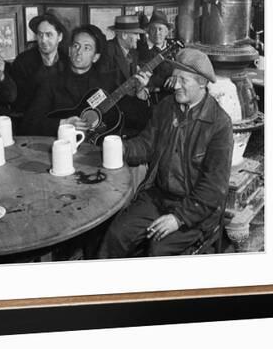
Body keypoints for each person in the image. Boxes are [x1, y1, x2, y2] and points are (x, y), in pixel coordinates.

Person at [96, 48, 233, 258]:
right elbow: (146, 144)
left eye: (183, 80)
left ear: (202, 83)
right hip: (157, 196)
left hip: (196, 209)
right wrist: (122, 149)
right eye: (174, 77)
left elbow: (213, 187)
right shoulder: (166, 107)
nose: (175, 85)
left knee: (158, 250)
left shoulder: (219, 124)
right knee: (117, 234)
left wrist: (179, 218)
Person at [21, 25, 116, 136]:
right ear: (70, 51)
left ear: (95, 57)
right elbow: (28, 124)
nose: (79, 52)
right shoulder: (51, 82)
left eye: (87, 48)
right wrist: (63, 123)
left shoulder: (106, 83)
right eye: (76, 46)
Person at [9, 12, 69, 115]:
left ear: (60, 37)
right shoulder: (22, 62)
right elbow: (17, 103)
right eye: (40, 34)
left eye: (48, 35)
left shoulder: (67, 62)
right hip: (31, 121)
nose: (43, 40)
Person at [103, 15, 150, 133]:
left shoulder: (133, 53)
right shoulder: (107, 51)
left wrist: (141, 87)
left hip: (129, 105)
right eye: (136, 34)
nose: (139, 38)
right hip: (112, 111)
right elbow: (104, 87)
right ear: (124, 35)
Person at [136, 9, 176, 104]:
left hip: (171, 98)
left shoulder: (174, 49)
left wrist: (177, 76)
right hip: (148, 99)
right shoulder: (139, 49)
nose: (157, 33)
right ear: (148, 31)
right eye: (153, 29)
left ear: (167, 32)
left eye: (160, 29)